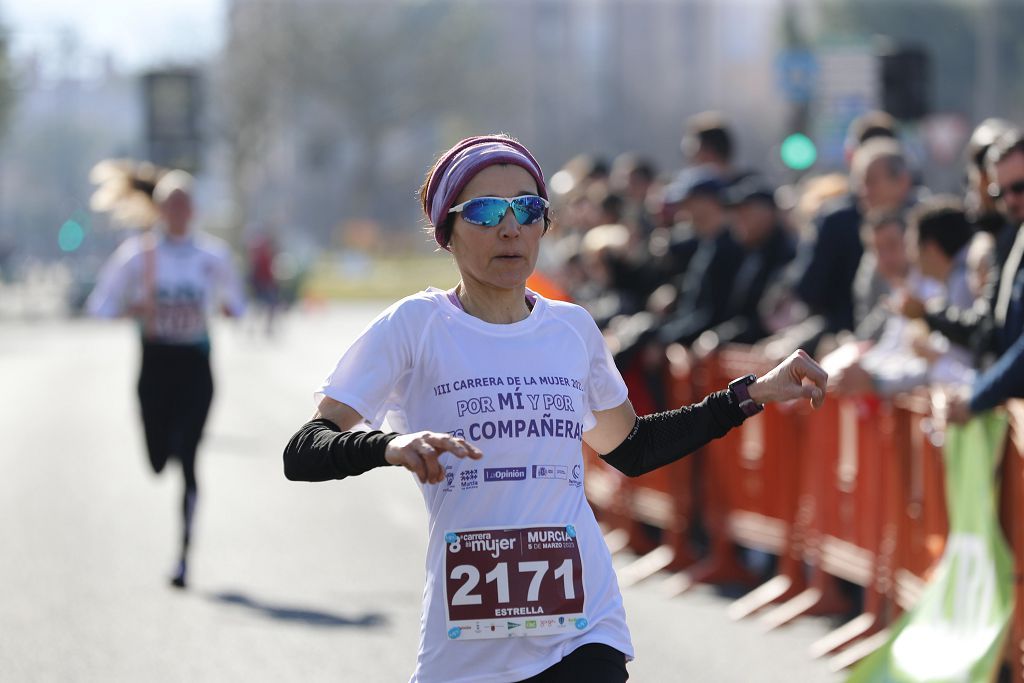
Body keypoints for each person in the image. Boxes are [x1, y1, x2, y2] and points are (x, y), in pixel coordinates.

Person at [282, 134, 828, 683]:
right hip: (467, 643)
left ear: (545, 223)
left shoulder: (571, 328)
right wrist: (390, 445)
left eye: (527, 208)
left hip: (583, 626)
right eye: (485, 211)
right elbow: (304, 451)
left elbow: (632, 449)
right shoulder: (415, 327)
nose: (510, 226)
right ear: (447, 232)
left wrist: (748, 394)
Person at [86, 170, 246, 588]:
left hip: (195, 366)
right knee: (159, 461)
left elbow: (237, 302)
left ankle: (184, 557)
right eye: (170, 204)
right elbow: (99, 305)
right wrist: (132, 309)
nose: (178, 212)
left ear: (194, 210)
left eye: (185, 204)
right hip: (155, 366)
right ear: (159, 209)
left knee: (190, 458)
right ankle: (168, 446)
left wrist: (230, 309)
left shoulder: (212, 257)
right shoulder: (137, 256)